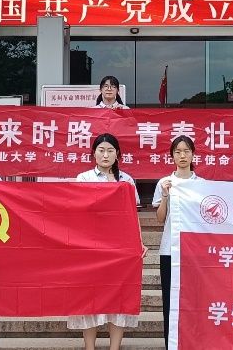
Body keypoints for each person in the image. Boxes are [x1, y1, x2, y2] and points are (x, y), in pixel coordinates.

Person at [69, 134, 140, 350]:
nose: (106, 155)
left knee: (118, 296)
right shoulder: (83, 178)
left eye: (110, 151)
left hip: (119, 247)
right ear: (94, 154)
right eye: (101, 150)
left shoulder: (126, 180)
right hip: (90, 246)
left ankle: (114, 347)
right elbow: (77, 211)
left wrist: (139, 242)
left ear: (117, 154)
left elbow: (133, 216)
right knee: (88, 297)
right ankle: (89, 347)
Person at [152, 135, 201, 343]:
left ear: (193, 154)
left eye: (186, 151)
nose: (182, 155)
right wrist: (165, 195)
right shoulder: (165, 183)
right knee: (169, 300)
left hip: (195, 251)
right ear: (172, 155)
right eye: (178, 151)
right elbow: (160, 218)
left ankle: (193, 342)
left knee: (195, 299)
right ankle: (170, 343)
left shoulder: (202, 184)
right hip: (170, 250)